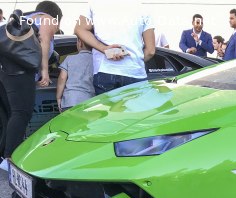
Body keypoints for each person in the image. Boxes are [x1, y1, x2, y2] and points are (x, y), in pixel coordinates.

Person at [0, 1, 62, 168]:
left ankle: (3, 155)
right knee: (22, 113)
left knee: (9, 114)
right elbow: (44, 41)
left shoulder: (24, 18)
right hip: (21, 74)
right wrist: (45, 72)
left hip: (5, 72)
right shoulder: (49, 19)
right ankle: (9, 159)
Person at [74, 0, 155, 95]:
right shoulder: (143, 9)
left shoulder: (94, 3)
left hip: (105, 71)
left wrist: (104, 49)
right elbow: (151, 51)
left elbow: (79, 29)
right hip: (135, 73)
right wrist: (132, 60)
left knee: (107, 110)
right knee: (136, 109)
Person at [56, 38, 94, 113]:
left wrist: (58, 97)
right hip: (90, 102)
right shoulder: (96, 60)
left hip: (70, 100)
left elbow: (62, 78)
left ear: (80, 43)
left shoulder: (69, 59)